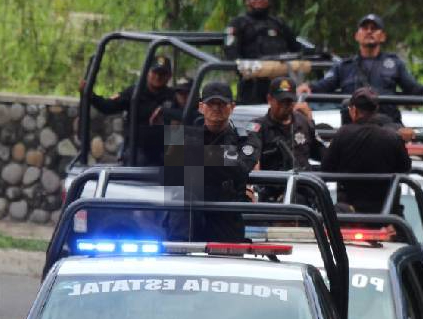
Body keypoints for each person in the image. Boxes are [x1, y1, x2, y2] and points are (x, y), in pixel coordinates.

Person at [298, 14, 423, 123]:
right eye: (365, 28)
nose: (369, 31)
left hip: (387, 126)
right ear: (357, 35)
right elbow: (323, 86)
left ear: (383, 36)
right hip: (353, 127)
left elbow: (412, 87)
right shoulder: (343, 66)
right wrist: (308, 88)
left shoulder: (395, 64)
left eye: (374, 28)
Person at [163, 82, 261, 241]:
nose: (216, 108)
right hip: (186, 218)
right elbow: (171, 170)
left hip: (226, 216)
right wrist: (225, 158)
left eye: (221, 104)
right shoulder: (182, 135)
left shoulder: (246, 138)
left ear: (232, 107)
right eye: (211, 103)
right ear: (201, 107)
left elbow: (241, 168)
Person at [321, 88, 411, 212]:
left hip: (349, 211)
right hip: (385, 210)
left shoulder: (342, 134)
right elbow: (405, 168)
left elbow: (326, 169)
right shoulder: (392, 137)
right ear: (376, 110)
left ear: (353, 110)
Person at [82, 55, 175, 164]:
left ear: (169, 76)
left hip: (164, 150)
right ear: (148, 73)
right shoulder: (134, 93)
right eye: (155, 72)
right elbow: (108, 107)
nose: (158, 77)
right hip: (136, 150)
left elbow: (184, 120)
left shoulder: (173, 97)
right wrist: (91, 95)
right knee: (141, 161)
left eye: (162, 74)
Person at [224, 0, 301, 104]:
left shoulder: (278, 23)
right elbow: (231, 53)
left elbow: (296, 48)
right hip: (252, 85)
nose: (260, 0)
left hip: (281, 84)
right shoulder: (238, 24)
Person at [248, 77, 324, 171]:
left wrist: (311, 121)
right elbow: (251, 160)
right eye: (281, 102)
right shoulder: (257, 127)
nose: (284, 106)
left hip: (303, 182)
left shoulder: (304, 122)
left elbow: (323, 154)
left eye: (288, 102)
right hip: (272, 183)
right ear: (269, 99)